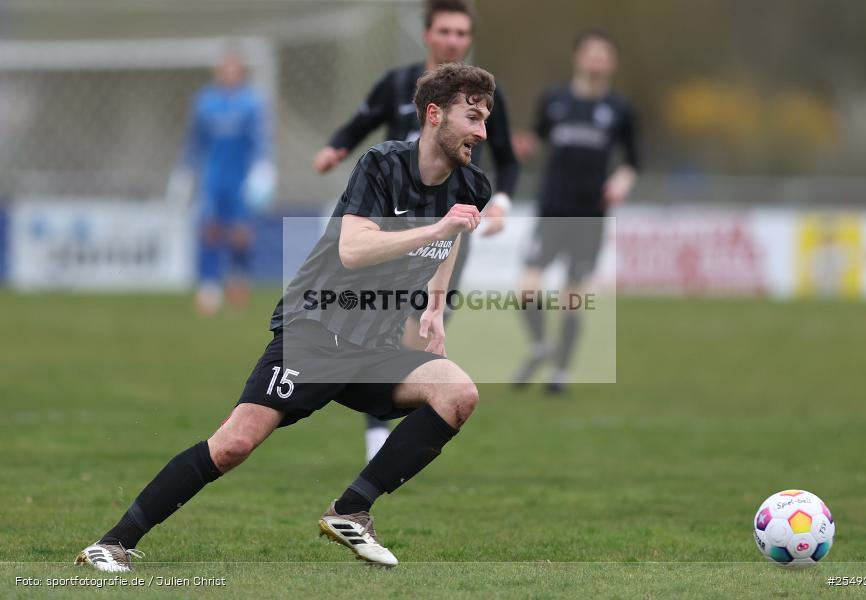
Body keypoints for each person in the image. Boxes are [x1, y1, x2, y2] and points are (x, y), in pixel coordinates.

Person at [75, 63, 495, 571]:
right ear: (434, 114)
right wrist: (437, 230)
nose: (482, 130)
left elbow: (451, 235)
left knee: (458, 393)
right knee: (233, 445)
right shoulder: (382, 166)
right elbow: (356, 248)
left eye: (486, 117)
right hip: (315, 332)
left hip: (375, 345)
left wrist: (434, 309)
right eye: (472, 116)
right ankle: (113, 542)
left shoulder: (472, 184)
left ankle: (351, 511)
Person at [313, 0, 518, 462]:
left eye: (461, 33)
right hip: (390, 230)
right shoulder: (397, 84)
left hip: (447, 233)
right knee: (386, 328)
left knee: (417, 332)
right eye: (445, 31)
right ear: (427, 35)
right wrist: (335, 148)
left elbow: (507, 155)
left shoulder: (486, 98)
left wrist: (501, 202)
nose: (453, 41)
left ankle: (384, 433)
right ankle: (375, 438)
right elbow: (362, 121)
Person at [512, 29, 639, 393]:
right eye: (591, 53)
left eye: (604, 54)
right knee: (527, 289)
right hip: (552, 210)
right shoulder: (554, 99)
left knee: (573, 296)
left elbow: (632, 161)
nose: (597, 59)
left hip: (590, 215)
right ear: (578, 58)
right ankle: (541, 346)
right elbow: (536, 138)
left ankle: (560, 372)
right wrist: (522, 146)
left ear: (612, 62)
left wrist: (621, 182)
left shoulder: (620, 109)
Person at [170, 49, 275, 316]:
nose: (228, 74)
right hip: (213, 176)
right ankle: (209, 286)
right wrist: (185, 172)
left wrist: (263, 167)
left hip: (240, 175)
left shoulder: (251, 102)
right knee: (210, 228)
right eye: (224, 69)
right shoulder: (205, 102)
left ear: (240, 73)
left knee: (241, 232)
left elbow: (259, 140)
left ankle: (238, 279)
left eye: (233, 69)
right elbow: (195, 141)